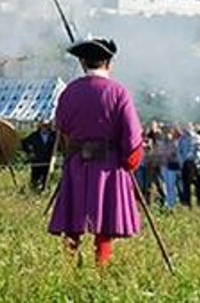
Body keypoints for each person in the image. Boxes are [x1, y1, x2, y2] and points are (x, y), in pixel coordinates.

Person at [47, 36, 143, 268]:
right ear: (109, 63)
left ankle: (68, 269)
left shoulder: (69, 91)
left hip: (77, 161)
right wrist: (130, 160)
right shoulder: (118, 92)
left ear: (83, 63)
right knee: (105, 223)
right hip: (108, 164)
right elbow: (132, 136)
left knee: (73, 221)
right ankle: (101, 270)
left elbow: (61, 125)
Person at [22, 121, 57, 192]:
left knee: (47, 177)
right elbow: (25, 143)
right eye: (43, 126)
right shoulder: (34, 136)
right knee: (35, 178)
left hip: (48, 161)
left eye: (46, 126)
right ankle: (33, 191)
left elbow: (60, 145)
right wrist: (30, 152)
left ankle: (45, 190)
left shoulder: (54, 136)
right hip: (37, 161)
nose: (45, 128)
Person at [177, 124, 200, 207]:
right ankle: (187, 203)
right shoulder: (182, 139)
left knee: (198, 184)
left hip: (195, 164)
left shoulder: (197, 137)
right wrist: (182, 162)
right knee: (186, 185)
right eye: (186, 127)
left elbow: (198, 151)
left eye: (189, 127)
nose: (187, 129)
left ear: (192, 127)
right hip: (185, 164)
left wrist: (194, 162)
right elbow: (179, 151)